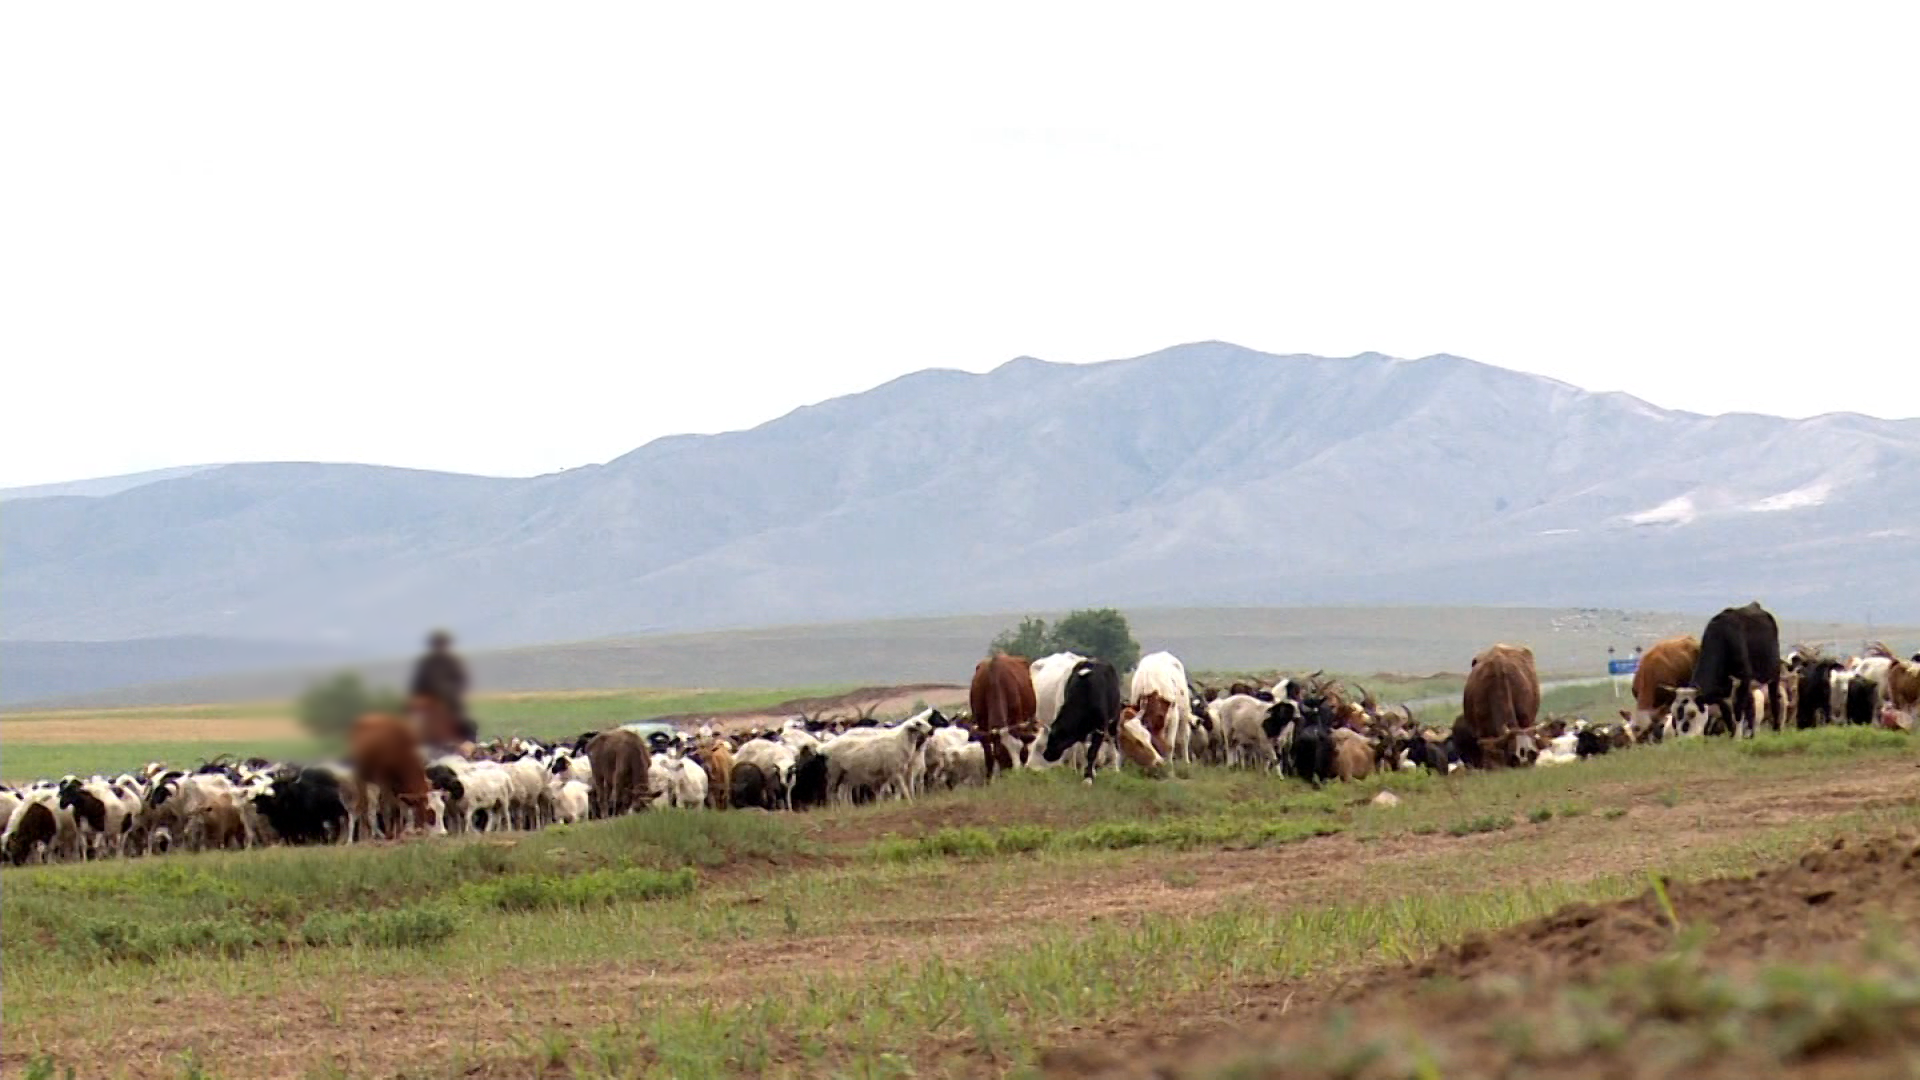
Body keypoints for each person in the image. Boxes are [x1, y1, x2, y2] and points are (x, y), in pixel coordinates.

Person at [411, 629, 476, 742]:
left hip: (448, 699)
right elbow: (418, 683)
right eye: (438, 644)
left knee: (465, 722)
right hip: (429, 700)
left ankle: (471, 744)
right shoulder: (427, 663)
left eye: (442, 644)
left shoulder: (451, 662)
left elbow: (461, 680)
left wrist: (450, 691)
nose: (440, 647)